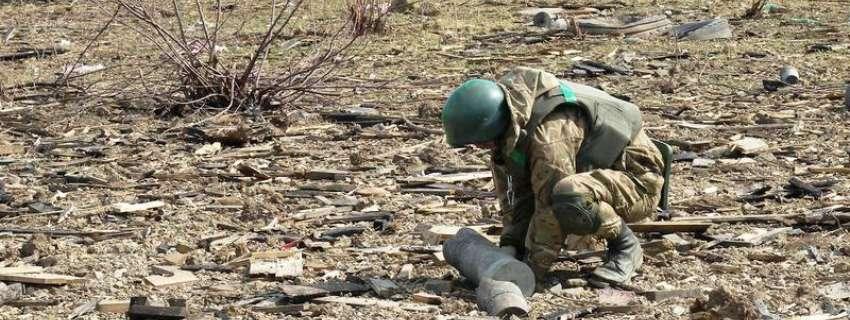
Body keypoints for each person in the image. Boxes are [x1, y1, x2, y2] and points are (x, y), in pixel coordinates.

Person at [440, 66, 671, 288]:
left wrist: (533, 270)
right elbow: (514, 197)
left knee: (570, 195)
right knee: (566, 193)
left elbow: (550, 207)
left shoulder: (548, 136)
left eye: (480, 141)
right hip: (599, 177)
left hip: (638, 183)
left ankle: (626, 247)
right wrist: (512, 246)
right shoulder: (512, 124)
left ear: (492, 126)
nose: (479, 147)